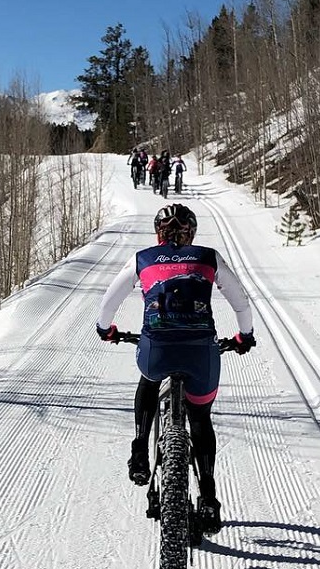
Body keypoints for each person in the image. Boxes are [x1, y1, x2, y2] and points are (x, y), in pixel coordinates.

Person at [95, 204, 256, 534]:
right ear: (192, 233)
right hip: (201, 354)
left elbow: (108, 302)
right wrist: (244, 336)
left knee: (149, 379)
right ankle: (209, 496)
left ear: (158, 232)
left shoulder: (142, 258)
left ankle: (140, 446)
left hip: (158, 350)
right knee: (200, 417)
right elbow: (241, 302)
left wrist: (106, 329)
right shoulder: (209, 258)